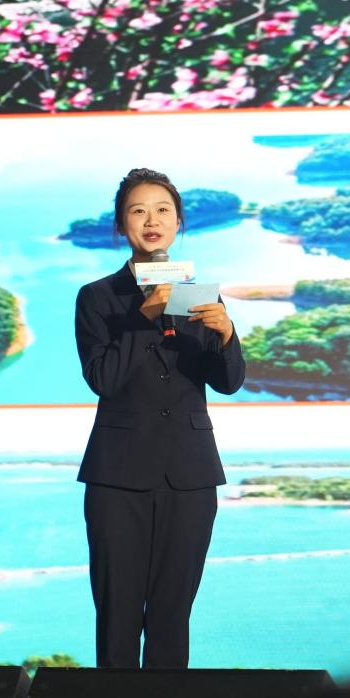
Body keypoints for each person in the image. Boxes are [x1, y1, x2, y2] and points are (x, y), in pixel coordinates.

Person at [73, 167, 245, 668]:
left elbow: (228, 381)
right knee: (118, 615)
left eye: (163, 210)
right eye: (139, 211)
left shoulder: (199, 294)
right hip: (117, 476)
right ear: (121, 225)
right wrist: (143, 318)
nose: (152, 221)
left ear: (178, 223)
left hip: (190, 474)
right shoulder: (97, 297)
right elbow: (104, 379)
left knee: (173, 615)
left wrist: (227, 335)